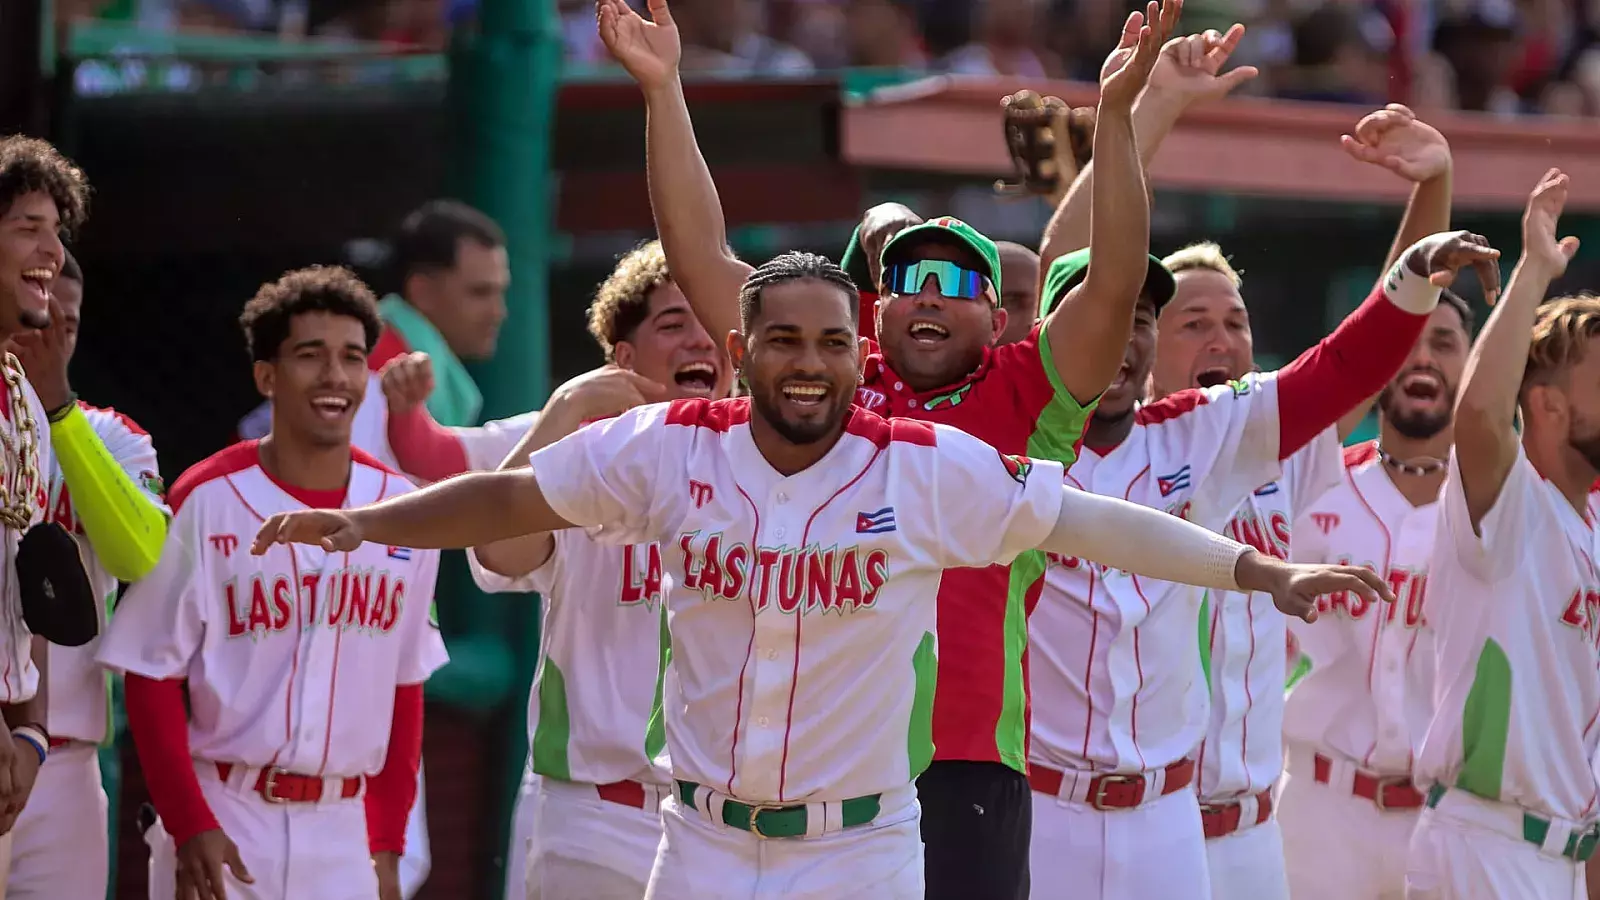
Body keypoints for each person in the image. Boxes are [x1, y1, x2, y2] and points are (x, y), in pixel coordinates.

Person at [253, 250, 1393, 900]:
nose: (810, 364)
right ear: (745, 349)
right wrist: (369, 527)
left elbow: (1093, 522)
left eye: (833, 342)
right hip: (696, 842)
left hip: (857, 854)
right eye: (785, 342)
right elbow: (515, 494)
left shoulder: (927, 467)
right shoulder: (671, 448)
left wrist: (1259, 572)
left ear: (861, 353)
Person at [605, 0, 1177, 891]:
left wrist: (1117, 117)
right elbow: (698, 255)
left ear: (1000, 316)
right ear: (877, 307)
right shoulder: (830, 379)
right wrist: (664, 88)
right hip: (818, 770)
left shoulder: (1029, 393)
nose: (930, 295)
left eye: (959, 282)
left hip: (965, 764)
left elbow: (1113, 277)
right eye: (908, 278)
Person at [1163, 104, 1457, 900]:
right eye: (1194, 322)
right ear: (1137, 346)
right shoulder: (1122, 455)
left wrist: (1431, 189)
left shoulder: (1277, 451)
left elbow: (1368, 346)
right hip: (1151, 826)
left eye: (1237, 320)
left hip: (1260, 831)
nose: (1223, 339)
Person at [382, 240, 728, 899]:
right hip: (597, 815)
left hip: (723, 828)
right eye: (672, 323)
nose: (698, 341)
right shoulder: (576, 449)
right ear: (622, 360)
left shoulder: (774, 468)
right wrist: (567, 406)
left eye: (710, 321)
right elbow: (495, 542)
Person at [96, 265, 450, 900]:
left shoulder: (401, 508)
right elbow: (151, 675)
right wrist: (188, 823)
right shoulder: (206, 498)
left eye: (351, 358)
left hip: (346, 827)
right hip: (227, 809)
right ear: (267, 377)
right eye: (310, 357)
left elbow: (406, 690)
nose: (335, 377)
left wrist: (388, 844)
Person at [1406, 170, 1597, 899]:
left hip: (1561, 856)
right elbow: (1481, 417)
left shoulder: (1590, 522)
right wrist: (1537, 272)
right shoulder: (1513, 505)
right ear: (1545, 406)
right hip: (1487, 848)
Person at [1280, 282, 1473, 900]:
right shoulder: (1315, 485)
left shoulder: (1506, 506)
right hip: (1320, 809)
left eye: (1443, 343)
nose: (1422, 358)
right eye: (1405, 343)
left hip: (1455, 817)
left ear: (1474, 363)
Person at [4, 250, 169, 900]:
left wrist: (59, 413)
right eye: (35, 316)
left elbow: (144, 559)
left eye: (63, 323)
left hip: (64, 764)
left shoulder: (113, 436)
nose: (47, 333)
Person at [236, 198, 530, 469]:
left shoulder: (388, 351)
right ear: (422, 291)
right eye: (480, 293)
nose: (498, 311)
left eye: (500, 292)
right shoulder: (371, 363)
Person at [0, 134, 88, 885]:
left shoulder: (24, 399)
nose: (51, 251)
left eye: (57, 231)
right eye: (29, 227)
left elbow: (33, 586)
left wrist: (29, 732)